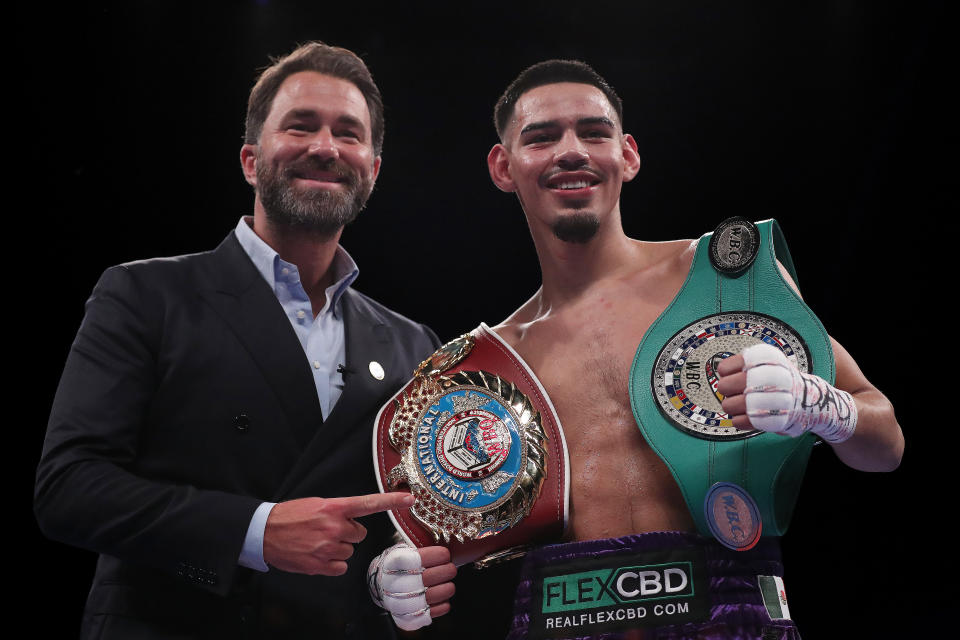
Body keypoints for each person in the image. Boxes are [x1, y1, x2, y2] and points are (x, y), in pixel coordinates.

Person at [369, 60, 904, 639]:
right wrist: (394, 577)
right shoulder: (488, 365)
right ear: (504, 166)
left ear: (627, 155)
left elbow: (887, 444)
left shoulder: (722, 281)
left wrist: (820, 404)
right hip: (556, 617)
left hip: (729, 603)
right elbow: (438, 541)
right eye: (542, 136)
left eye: (594, 132)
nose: (571, 151)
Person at [34, 42, 441, 639]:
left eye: (348, 134)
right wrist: (254, 532)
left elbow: (401, 521)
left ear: (372, 170)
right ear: (252, 160)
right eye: (301, 126)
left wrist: (389, 576)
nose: (325, 147)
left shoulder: (412, 343)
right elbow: (68, 488)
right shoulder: (145, 295)